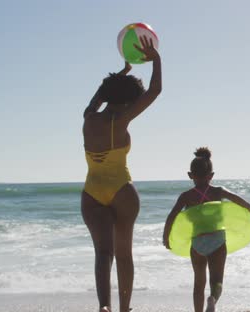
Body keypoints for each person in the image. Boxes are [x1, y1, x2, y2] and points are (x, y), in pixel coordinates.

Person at [82, 36, 161, 312]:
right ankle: (125, 308)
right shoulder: (122, 120)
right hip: (121, 191)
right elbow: (155, 90)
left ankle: (104, 307)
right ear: (129, 101)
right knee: (124, 255)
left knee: (103, 253)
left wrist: (120, 75)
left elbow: (99, 96)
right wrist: (156, 59)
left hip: (91, 192)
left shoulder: (89, 117)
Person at [163, 147, 250, 312]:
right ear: (211, 175)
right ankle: (213, 299)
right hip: (217, 240)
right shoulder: (218, 191)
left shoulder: (186, 196)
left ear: (190, 175)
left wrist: (166, 238)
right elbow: (240, 201)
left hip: (198, 242)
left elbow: (172, 217)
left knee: (198, 283)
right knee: (217, 281)